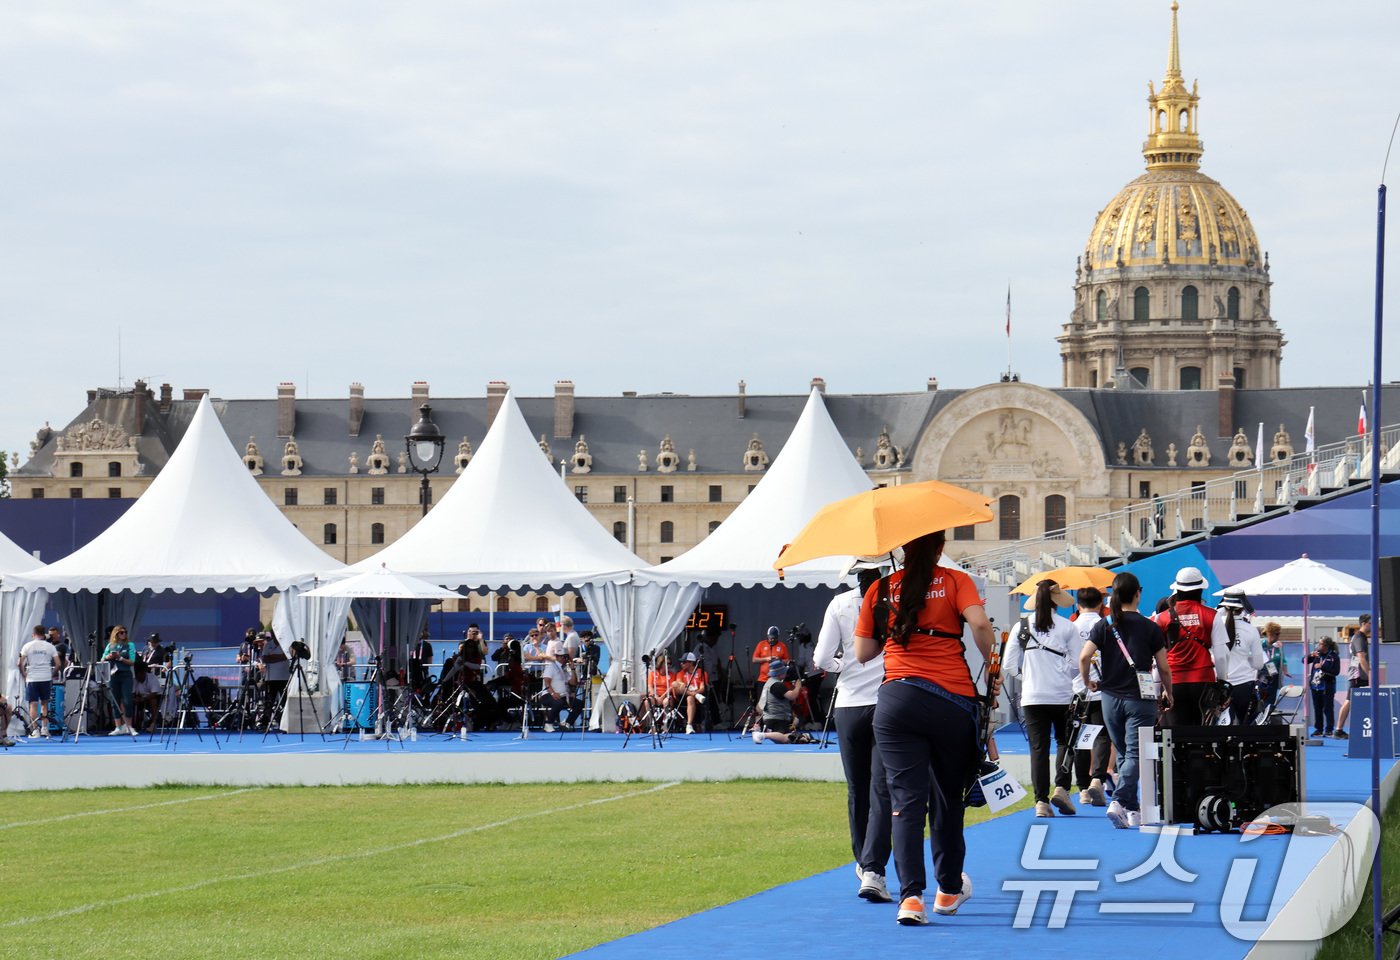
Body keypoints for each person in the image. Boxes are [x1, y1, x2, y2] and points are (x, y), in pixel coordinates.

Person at [853, 531, 996, 925]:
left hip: (897, 700)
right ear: (940, 547)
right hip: (950, 699)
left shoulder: (880, 589)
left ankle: (910, 898)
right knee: (949, 798)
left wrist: (896, 627)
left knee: (905, 804)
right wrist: (993, 664)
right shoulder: (954, 581)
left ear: (901, 548)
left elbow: (864, 653)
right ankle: (948, 890)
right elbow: (980, 625)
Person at [814, 566, 892, 903]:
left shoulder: (840, 604)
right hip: (887, 701)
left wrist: (844, 665)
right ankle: (874, 868)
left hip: (849, 705)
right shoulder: (895, 602)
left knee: (857, 788)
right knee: (881, 789)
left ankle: (864, 861)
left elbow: (820, 658)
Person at [1079, 571, 1173, 830]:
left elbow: (1084, 657)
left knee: (1123, 752)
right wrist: (1169, 691)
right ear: (1138, 593)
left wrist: (1088, 681)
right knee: (1134, 753)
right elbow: (1164, 668)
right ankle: (1119, 801)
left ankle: (1131, 809)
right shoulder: (1150, 627)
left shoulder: (1104, 625)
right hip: (1139, 698)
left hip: (1109, 698)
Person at [1004, 580, 1080, 817]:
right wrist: (1062, 672)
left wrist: (1024, 675)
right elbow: (1077, 663)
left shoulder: (1021, 626)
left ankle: (1040, 802)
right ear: (1057, 600)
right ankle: (1061, 788)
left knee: (1038, 748)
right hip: (1062, 694)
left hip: (1032, 695)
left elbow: (1008, 665)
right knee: (1064, 742)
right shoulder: (1067, 626)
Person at [1151, 566, 1220, 726]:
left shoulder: (1161, 618)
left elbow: (1157, 660)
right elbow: (1221, 655)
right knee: (1201, 734)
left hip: (1173, 683)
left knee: (1174, 736)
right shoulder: (1212, 615)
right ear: (1200, 590)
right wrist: (1222, 681)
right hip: (1204, 682)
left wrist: (1157, 689)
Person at [1069, 587, 1110, 807]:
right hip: (1103, 688)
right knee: (1102, 736)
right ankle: (1097, 779)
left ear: (1078, 604)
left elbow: (1068, 662)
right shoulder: (1107, 624)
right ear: (1101, 604)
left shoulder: (1071, 627)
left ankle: (1083, 788)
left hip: (1078, 690)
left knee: (1081, 739)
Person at [1210, 589, 1266, 725]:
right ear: (1243, 608)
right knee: (1243, 727)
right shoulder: (1250, 630)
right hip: (1243, 686)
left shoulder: (1214, 626)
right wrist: (1245, 659)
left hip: (1218, 685)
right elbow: (1259, 664)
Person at [751, 659, 808, 744]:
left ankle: (763, 733)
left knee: (784, 737)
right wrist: (798, 686)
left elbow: (759, 706)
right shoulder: (778, 685)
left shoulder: (768, 683)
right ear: (781, 673)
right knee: (786, 738)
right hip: (777, 718)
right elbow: (792, 696)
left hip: (768, 716)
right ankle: (762, 735)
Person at [19, 625, 61, 738]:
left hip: (32, 678)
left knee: (33, 704)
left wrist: (24, 675)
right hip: (46, 677)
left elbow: (20, 663)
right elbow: (58, 664)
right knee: (44, 703)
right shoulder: (50, 647)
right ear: (44, 634)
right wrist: (51, 674)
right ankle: (44, 728)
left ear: (33, 634)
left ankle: (35, 730)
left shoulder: (27, 646)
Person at [1335, 614, 1372, 739]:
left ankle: (1347, 729)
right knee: (1349, 700)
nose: (1372, 626)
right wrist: (1370, 673)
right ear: (1364, 623)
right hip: (1357, 675)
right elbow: (1361, 658)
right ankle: (1339, 730)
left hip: (1359, 674)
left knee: (1353, 701)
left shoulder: (1361, 637)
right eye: (1371, 623)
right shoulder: (1359, 638)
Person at [102, 625, 138, 736]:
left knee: (127, 700)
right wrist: (108, 657)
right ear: (116, 634)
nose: (124, 634)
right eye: (121, 633)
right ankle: (118, 726)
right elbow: (102, 659)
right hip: (113, 674)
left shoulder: (130, 645)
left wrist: (120, 658)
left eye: (125, 632)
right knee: (115, 700)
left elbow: (132, 661)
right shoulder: (110, 645)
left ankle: (129, 726)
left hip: (125, 674)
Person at [1305, 636, 1340, 737]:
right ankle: (1318, 729)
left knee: (1328, 708)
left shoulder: (1333, 656)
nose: (1318, 646)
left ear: (1326, 646)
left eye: (1320, 644)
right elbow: (1304, 661)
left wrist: (1322, 667)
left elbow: (1336, 672)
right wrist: (1310, 655)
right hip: (1316, 685)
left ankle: (1329, 729)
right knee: (1317, 708)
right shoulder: (1316, 654)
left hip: (1327, 686)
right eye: (1318, 643)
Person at [751, 626, 791, 707]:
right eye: (770, 638)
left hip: (776, 680)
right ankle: (760, 719)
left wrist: (779, 660)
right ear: (767, 636)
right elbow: (754, 659)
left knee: (774, 702)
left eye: (774, 638)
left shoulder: (782, 646)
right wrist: (766, 659)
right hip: (763, 679)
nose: (772, 640)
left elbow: (788, 661)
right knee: (761, 703)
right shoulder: (761, 644)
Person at [672, 652, 709, 734]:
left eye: (684, 662)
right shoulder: (680, 673)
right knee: (674, 684)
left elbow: (702, 688)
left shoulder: (701, 672)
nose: (681, 664)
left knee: (690, 698)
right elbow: (678, 684)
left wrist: (695, 692)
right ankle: (695, 695)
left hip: (695, 696)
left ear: (691, 663)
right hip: (682, 696)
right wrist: (691, 691)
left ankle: (689, 725)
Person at [258, 632, 290, 727]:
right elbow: (265, 659)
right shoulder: (268, 645)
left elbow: (287, 656)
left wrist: (273, 657)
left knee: (285, 702)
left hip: (284, 678)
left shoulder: (287, 644)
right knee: (269, 702)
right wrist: (280, 657)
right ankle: (265, 722)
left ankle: (285, 723)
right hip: (271, 679)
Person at [1257, 621, 1289, 715]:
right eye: (1277, 634)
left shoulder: (1278, 645)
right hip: (1262, 676)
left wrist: (1285, 670)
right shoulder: (1260, 644)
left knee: (1272, 698)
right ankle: (1261, 715)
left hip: (1274, 675)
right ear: (1270, 633)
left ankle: (1269, 714)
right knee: (1262, 699)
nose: (1279, 636)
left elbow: (1283, 659)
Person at [132, 660, 163, 732]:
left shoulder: (152, 678)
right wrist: (134, 699)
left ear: (143, 673)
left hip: (154, 697)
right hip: (140, 697)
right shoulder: (134, 680)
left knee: (153, 701)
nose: (138, 677)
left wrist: (142, 699)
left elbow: (154, 693)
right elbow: (132, 693)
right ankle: (133, 723)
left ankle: (153, 724)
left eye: (139, 675)